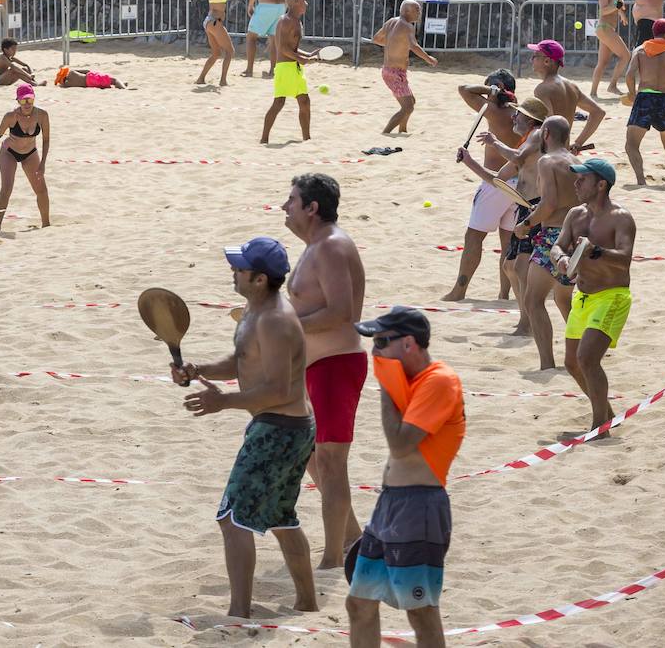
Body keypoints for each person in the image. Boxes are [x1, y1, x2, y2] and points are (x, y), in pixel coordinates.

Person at [172, 237, 317, 619]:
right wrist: (199, 369)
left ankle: (239, 613)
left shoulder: (274, 320)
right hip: (290, 427)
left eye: (239, 268)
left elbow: (277, 388)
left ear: (259, 278)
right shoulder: (257, 310)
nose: (232, 272)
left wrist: (224, 402)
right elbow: (242, 361)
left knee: (232, 517)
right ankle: (306, 602)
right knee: (281, 516)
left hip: (279, 429)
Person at [347, 306, 465, 648]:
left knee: (421, 611)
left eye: (382, 342)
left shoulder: (439, 380)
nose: (375, 351)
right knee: (359, 604)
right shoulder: (410, 382)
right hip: (392, 504)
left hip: (420, 507)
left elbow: (400, 444)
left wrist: (385, 383)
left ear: (409, 344)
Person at [283, 174, 366, 570]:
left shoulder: (331, 245)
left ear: (312, 208)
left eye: (292, 200)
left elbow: (341, 311)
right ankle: (351, 535)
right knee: (311, 456)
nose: (286, 207)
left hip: (336, 364)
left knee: (332, 463)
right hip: (314, 364)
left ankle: (335, 558)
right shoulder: (315, 245)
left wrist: (286, 326)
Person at [551, 159, 635, 429]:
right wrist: (562, 260)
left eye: (582, 179)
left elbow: (624, 259)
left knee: (587, 359)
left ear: (601, 185)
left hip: (612, 296)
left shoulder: (620, 218)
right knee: (572, 363)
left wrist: (596, 251)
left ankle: (599, 428)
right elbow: (557, 246)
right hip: (583, 296)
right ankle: (607, 415)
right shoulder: (575, 214)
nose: (575, 183)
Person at [456, 97, 549, 336]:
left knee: (523, 268)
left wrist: (494, 142)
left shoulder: (537, 134)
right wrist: (470, 162)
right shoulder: (527, 142)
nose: (513, 117)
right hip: (526, 207)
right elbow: (497, 179)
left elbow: (517, 159)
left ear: (529, 119)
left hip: (538, 207)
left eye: (518, 114)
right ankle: (525, 320)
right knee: (512, 266)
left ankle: (528, 322)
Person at [442, 72, 520, 302]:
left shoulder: (495, 111)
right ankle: (504, 294)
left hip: (496, 183)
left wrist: (491, 91)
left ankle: (459, 291)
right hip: (520, 185)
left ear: (497, 88)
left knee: (473, 237)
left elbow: (464, 88)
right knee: (508, 241)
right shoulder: (522, 113)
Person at [511, 115, 579, 371]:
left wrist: (525, 224)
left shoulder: (547, 161)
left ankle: (547, 364)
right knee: (563, 300)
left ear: (546, 134)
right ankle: (583, 355)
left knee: (533, 300)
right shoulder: (575, 160)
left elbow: (549, 203)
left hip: (554, 238)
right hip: (576, 235)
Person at [0, 82, 51, 231]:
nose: (27, 103)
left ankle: (46, 224)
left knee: (41, 189)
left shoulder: (42, 115)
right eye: (23, 100)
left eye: (29, 99)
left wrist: (43, 163)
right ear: (18, 101)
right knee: (6, 189)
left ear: (34, 99)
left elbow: (46, 139)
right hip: (9, 152)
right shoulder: (11, 116)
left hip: (30, 153)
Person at [624, 18, 665, 186]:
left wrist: (632, 94)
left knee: (631, 145)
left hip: (644, 97)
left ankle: (641, 181)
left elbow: (629, 76)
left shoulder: (640, 50)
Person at [372, 0, 437, 136]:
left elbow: (376, 39)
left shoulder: (391, 22)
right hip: (395, 73)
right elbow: (414, 46)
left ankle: (402, 130)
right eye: (417, 10)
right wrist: (428, 59)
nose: (419, 13)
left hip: (390, 71)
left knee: (411, 102)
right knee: (408, 107)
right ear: (407, 11)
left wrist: (395, 43)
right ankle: (385, 133)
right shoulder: (407, 26)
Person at [526, 39, 603, 152]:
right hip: (564, 152)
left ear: (547, 61)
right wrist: (578, 143)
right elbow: (598, 112)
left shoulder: (542, 89)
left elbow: (548, 126)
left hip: (550, 154)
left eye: (535, 56)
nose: (531, 59)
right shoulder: (572, 86)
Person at [260, 0, 316, 144]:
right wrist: (301, 59)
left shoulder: (296, 21)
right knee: (279, 103)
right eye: (303, 0)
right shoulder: (285, 21)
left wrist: (308, 55)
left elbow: (292, 48)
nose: (306, 3)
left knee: (304, 101)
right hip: (285, 67)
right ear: (295, 3)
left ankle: (307, 138)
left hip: (293, 66)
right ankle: (264, 139)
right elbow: (282, 48)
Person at [196, 0, 240, 87]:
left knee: (215, 54)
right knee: (230, 51)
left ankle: (201, 78)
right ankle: (223, 80)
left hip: (209, 22)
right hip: (215, 22)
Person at [590, 0, 630, 97]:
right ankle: (612, 85)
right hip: (604, 28)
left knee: (602, 63)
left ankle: (593, 93)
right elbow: (602, 11)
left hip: (607, 29)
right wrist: (616, 6)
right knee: (626, 56)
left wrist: (621, 14)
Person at [54, 66, 125, 89]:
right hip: (90, 78)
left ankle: (121, 84)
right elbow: (87, 71)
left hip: (89, 85)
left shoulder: (67, 84)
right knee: (114, 80)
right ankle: (123, 87)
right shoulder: (72, 72)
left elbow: (61, 85)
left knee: (103, 85)